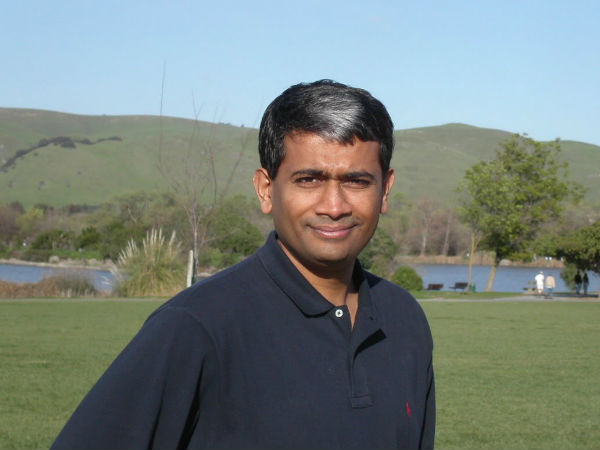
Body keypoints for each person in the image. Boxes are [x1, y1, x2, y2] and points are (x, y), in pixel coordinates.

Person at [50, 80, 436, 450]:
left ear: (385, 190)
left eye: (356, 181)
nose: (334, 206)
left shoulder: (405, 321)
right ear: (266, 189)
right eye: (308, 180)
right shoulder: (196, 326)